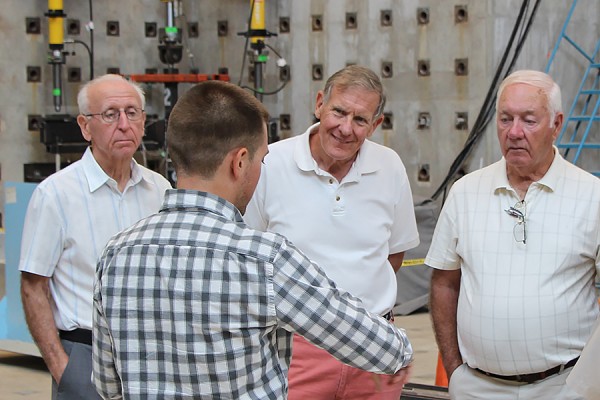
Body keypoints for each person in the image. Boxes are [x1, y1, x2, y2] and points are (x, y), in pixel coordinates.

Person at [91, 80, 414, 399]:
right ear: (239, 162)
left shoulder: (117, 253)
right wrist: (400, 349)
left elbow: (108, 385)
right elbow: (382, 350)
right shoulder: (264, 259)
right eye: (261, 160)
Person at [243, 64, 420, 399]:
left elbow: (392, 255)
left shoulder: (390, 166)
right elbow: (251, 254)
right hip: (295, 348)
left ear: (376, 125)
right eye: (339, 112)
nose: (345, 128)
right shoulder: (270, 162)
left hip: (373, 345)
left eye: (360, 119)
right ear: (320, 103)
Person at [426, 69, 600, 399]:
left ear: (557, 124)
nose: (514, 132)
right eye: (505, 119)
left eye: (529, 120)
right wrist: (456, 372)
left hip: (564, 387)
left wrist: (588, 382)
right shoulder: (464, 192)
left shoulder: (593, 196)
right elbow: (444, 282)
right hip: (476, 388)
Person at [19, 74, 171, 399]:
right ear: (85, 126)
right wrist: (63, 368)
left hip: (152, 354)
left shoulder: (160, 190)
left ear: (144, 122)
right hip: (84, 353)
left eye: (132, 113)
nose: (124, 124)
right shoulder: (55, 195)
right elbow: (33, 286)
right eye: (110, 114)